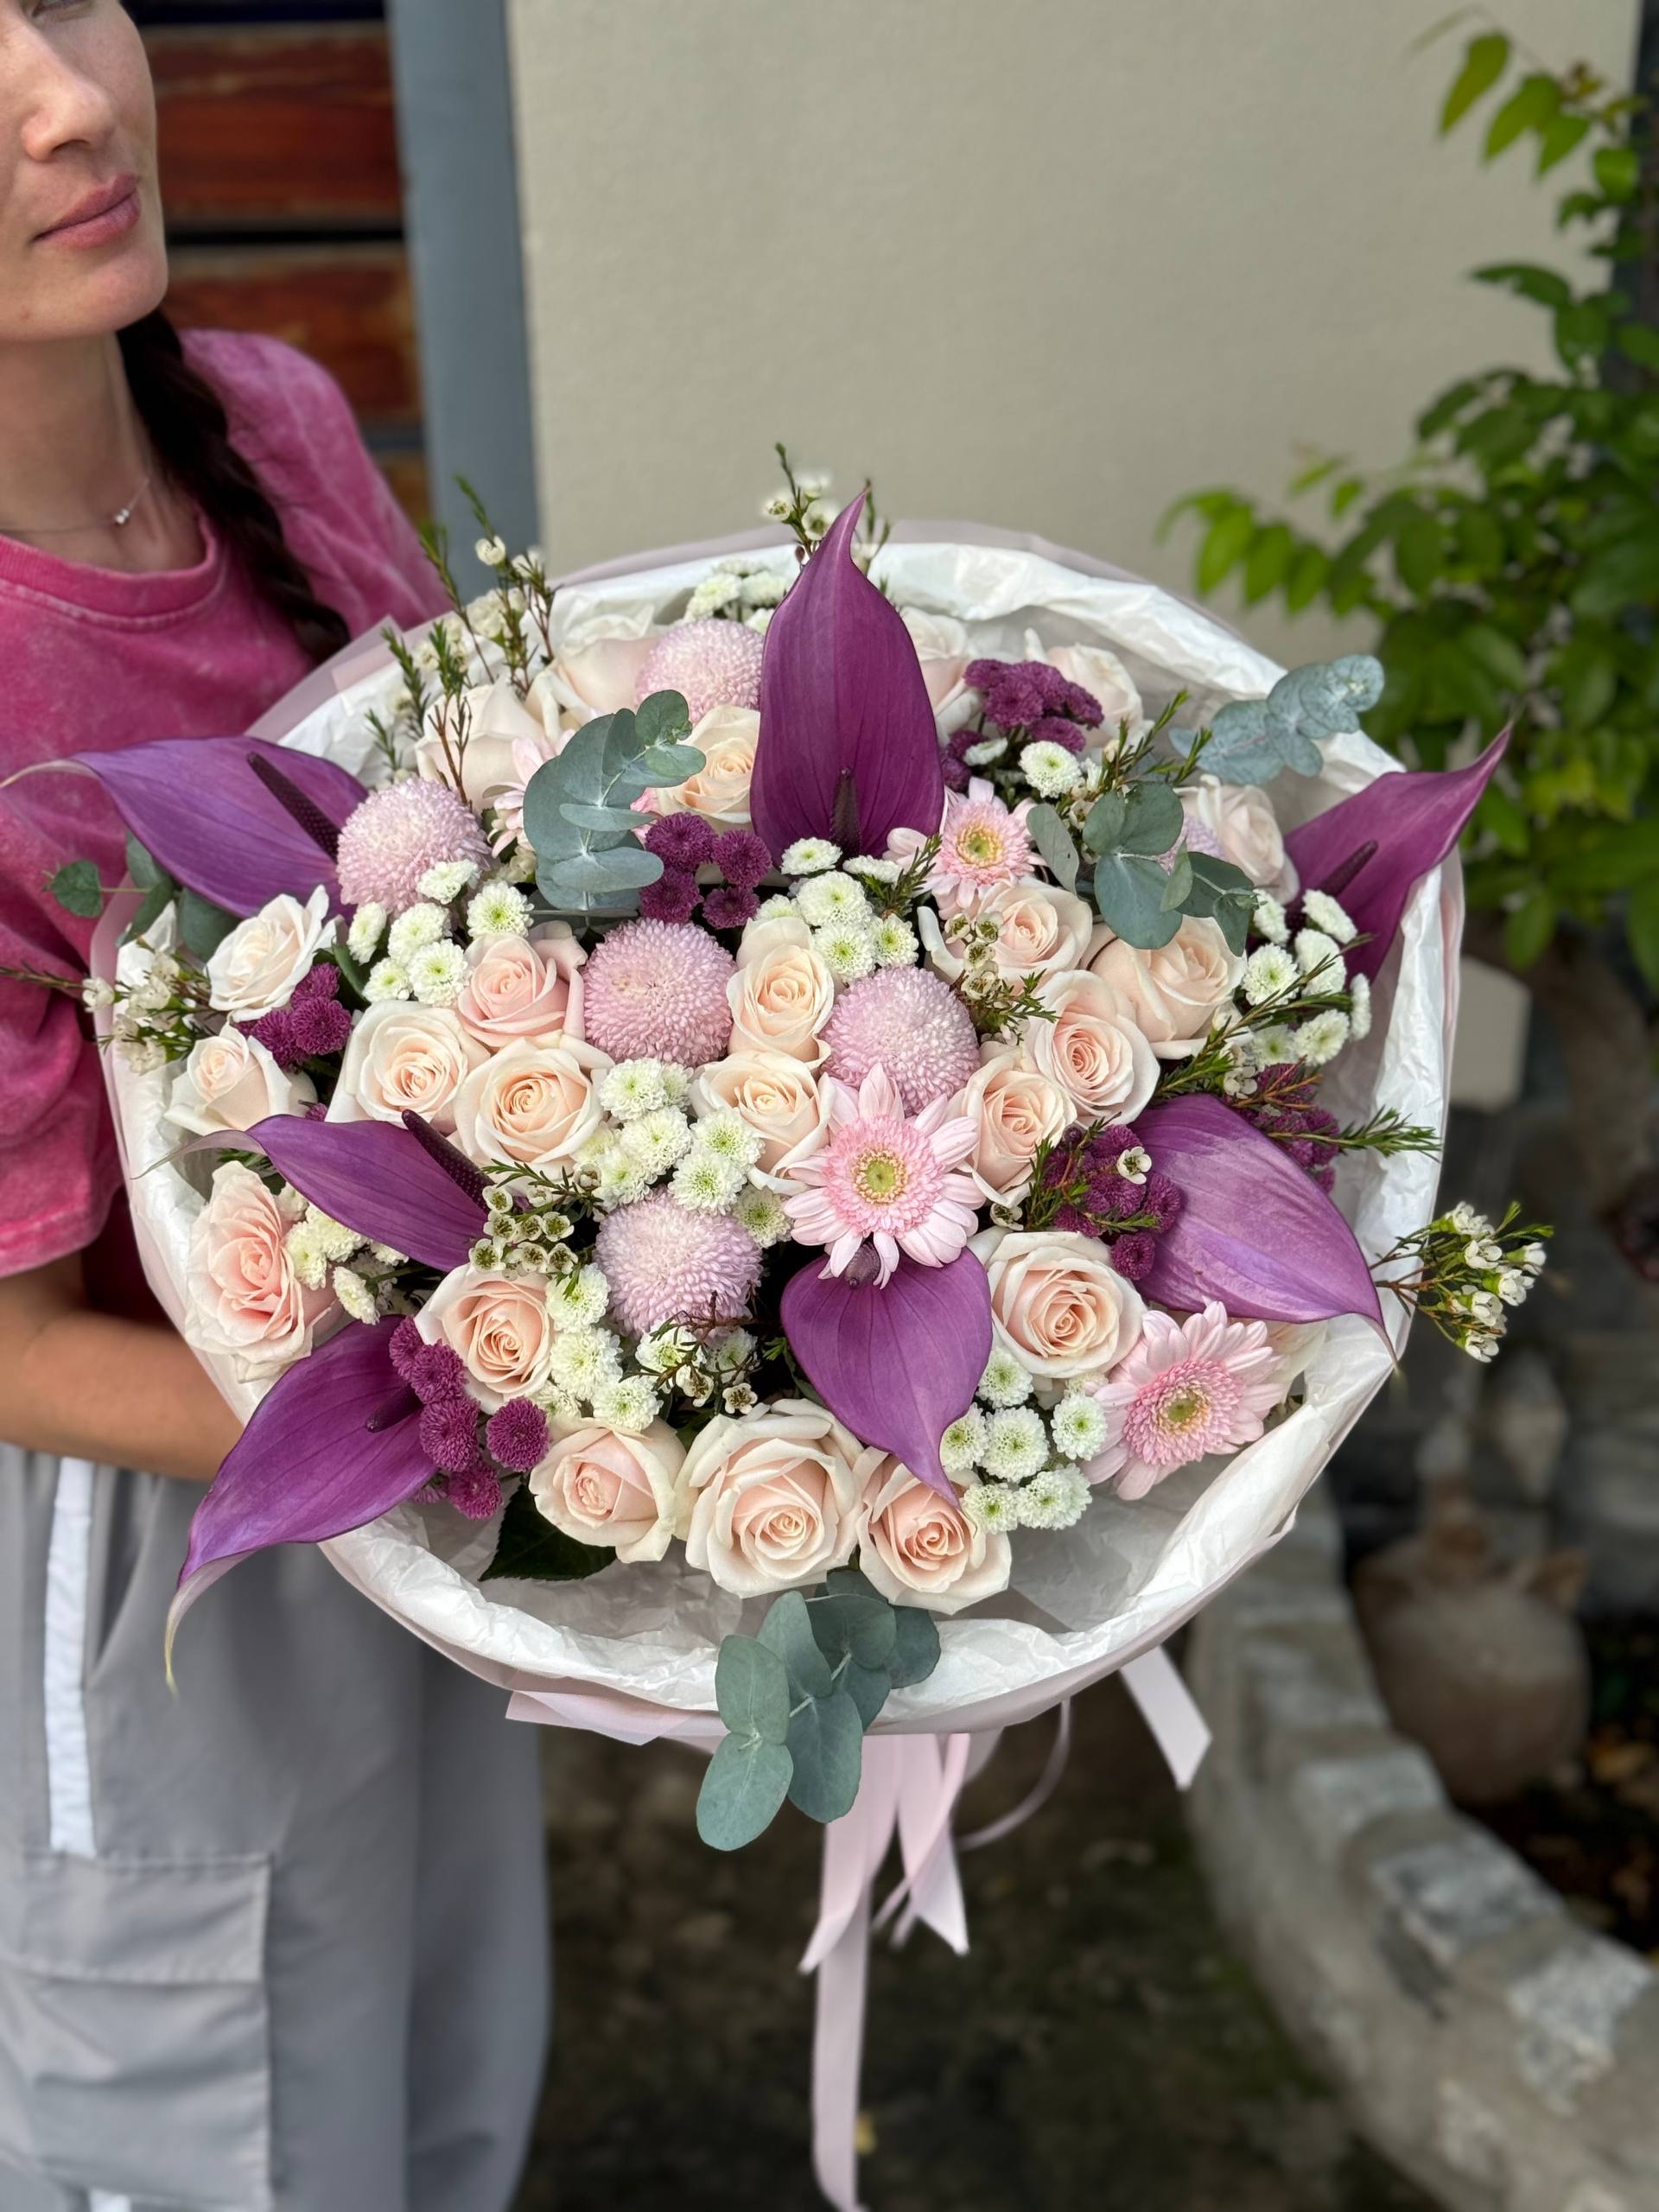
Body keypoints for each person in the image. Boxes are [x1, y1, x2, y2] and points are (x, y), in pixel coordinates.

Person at [0, 6, 549, 2207]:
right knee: (225, 2121)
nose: (60, 96)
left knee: (437, 2036)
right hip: (167, 1531)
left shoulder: (271, 416)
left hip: (443, 1436)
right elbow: (17, 1349)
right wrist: (551, 1420)